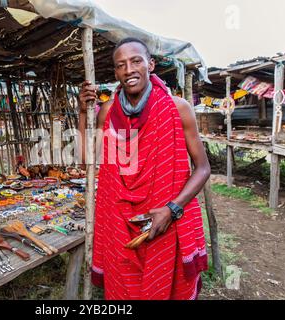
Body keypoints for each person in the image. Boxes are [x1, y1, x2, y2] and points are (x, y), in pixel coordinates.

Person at [77, 37, 210, 300]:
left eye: (136, 61)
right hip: (119, 223)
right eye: (121, 65)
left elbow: (203, 168)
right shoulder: (107, 111)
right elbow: (88, 163)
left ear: (150, 65)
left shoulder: (177, 109)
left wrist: (171, 210)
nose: (129, 70)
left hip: (164, 219)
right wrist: (82, 113)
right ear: (116, 72)